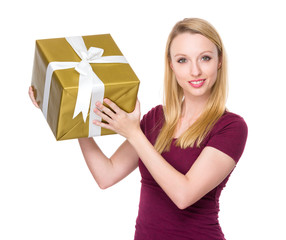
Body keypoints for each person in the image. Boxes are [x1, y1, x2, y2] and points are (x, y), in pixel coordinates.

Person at [29, 18, 248, 240]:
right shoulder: (157, 118)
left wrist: (133, 133)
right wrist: (65, 111)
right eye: (183, 60)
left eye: (205, 58)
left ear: (219, 61)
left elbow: (184, 195)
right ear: (171, 65)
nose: (195, 71)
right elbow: (106, 174)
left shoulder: (231, 127)